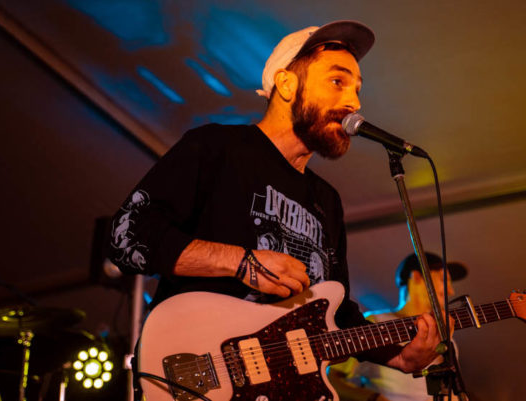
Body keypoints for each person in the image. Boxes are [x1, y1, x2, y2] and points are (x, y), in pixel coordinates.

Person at [108, 20, 446, 394]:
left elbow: (337, 313)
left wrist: (397, 356)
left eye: (357, 89)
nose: (355, 102)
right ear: (287, 85)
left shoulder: (327, 201)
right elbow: (127, 237)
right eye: (338, 81)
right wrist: (241, 262)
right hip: (199, 372)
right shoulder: (217, 148)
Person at [328, 252, 468, 401]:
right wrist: (373, 398)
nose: (450, 291)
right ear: (417, 277)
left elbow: (451, 392)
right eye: (443, 280)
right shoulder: (373, 321)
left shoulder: (445, 339)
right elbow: (332, 380)